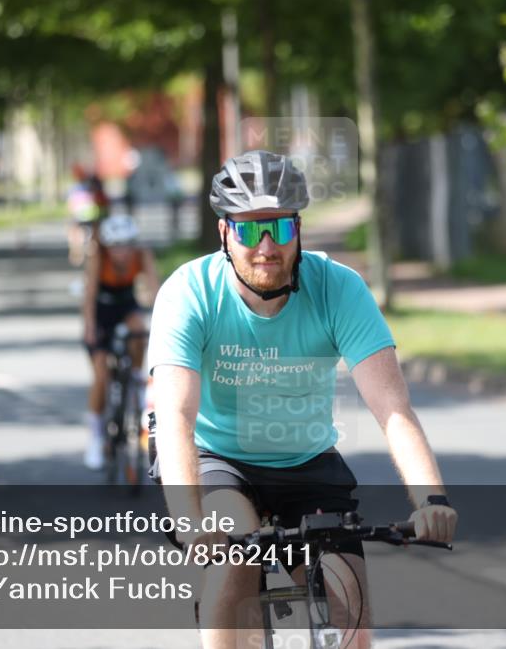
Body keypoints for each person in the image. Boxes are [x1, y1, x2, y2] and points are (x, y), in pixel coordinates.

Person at [147, 150, 458, 648]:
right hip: (219, 458)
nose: (266, 246)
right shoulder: (189, 292)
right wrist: (189, 521)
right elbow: (176, 417)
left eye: (280, 229)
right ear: (224, 233)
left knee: (348, 604)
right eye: (249, 230)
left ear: (298, 229)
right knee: (234, 560)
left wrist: (431, 500)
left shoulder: (339, 289)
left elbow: (393, 409)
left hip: (308, 461)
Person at [82, 213, 159, 469]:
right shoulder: (97, 258)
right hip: (101, 312)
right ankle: (95, 437)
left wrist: (161, 324)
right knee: (102, 375)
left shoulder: (142, 254)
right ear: (107, 246)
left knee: (139, 329)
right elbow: (89, 295)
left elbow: (155, 290)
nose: (122, 251)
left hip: (126, 306)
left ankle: (136, 378)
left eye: (126, 244)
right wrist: (90, 328)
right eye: (116, 246)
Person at [66, 169, 109, 266]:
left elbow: (70, 206)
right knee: (95, 233)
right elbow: (106, 206)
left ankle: (76, 253)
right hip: (95, 217)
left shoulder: (74, 189)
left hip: (82, 217)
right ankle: (93, 252)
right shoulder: (98, 189)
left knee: (75, 230)